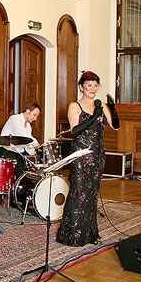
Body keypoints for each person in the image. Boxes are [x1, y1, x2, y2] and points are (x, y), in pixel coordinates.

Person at [56, 71, 119, 247]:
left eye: (95, 85)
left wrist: (112, 109)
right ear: (82, 87)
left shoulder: (102, 105)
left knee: (91, 195)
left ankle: (90, 234)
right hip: (81, 156)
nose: (93, 88)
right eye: (89, 85)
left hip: (97, 156)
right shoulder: (74, 106)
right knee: (78, 194)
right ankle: (72, 235)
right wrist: (94, 116)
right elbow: (75, 131)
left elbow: (115, 126)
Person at [0, 103, 41, 206]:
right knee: (21, 172)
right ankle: (17, 200)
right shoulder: (14, 119)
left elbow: (27, 145)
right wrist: (37, 145)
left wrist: (36, 152)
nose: (35, 118)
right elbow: (26, 137)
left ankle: (20, 200)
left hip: (18, 153)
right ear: (28, 111)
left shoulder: (28, 126)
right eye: (34, 115)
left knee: (31, 171)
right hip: (5, 152)